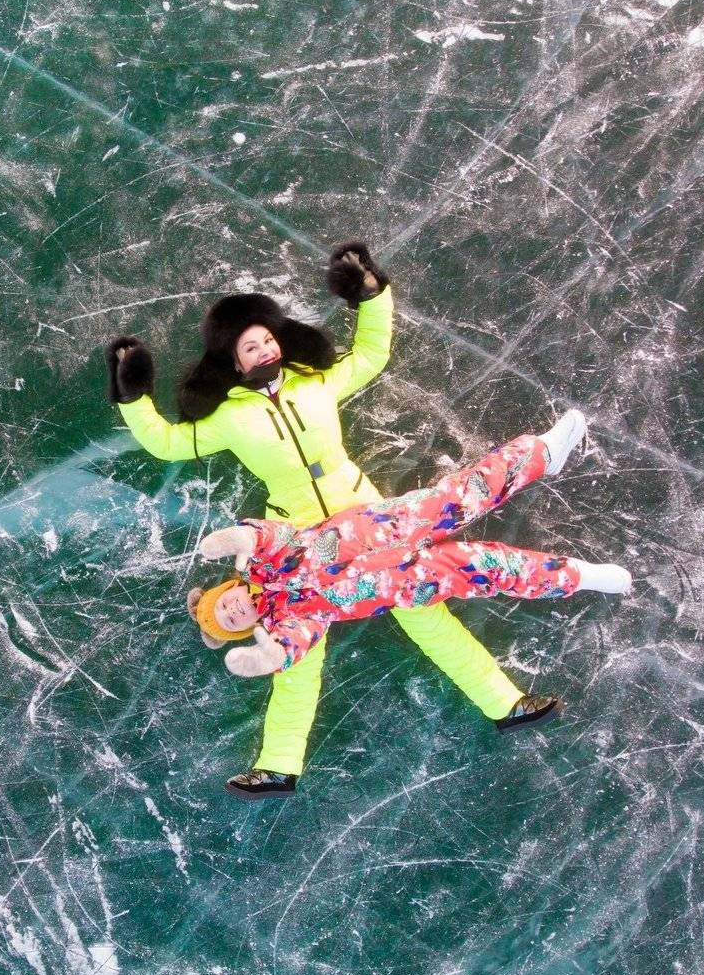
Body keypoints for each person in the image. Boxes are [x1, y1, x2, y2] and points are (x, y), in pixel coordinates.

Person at [105, 243, 561, 798]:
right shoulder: (227, 418)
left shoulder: (314, 382)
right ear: (234, 362)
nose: (265, 349)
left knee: (426, 611)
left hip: (366, 515)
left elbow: (370, 355)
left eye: (268, 339)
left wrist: (370, 296)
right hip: (298, 537)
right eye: (251, 346)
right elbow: (167, 443)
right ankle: (278, 767)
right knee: (296, 651)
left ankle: (506, 704)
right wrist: (134, 396)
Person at [188, 413, 631, 796]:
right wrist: (272, 655)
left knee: (466, 489)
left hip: (395, 522)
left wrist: (241, 538)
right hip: (408, 581)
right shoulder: (294, 617)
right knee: (489, 566)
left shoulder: (268, 562)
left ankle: (543, 453)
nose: (232, 611)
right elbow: (296, 641)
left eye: (223, 605)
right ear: (244, 629)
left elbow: (273, 535)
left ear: (228, 587)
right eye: (231, 622)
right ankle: (581, 575)